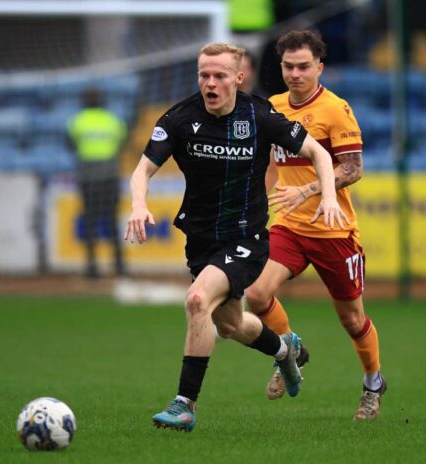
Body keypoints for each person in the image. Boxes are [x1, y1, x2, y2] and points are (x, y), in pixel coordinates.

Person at [124, 43, 347, 432]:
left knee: (197, 301)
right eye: (204, 76)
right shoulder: (180, 118)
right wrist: (139, 204)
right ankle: (285, 348)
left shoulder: (260, 115)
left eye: (219, 76)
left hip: (246, 237)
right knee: (230, 325)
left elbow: (320, 155)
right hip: (200, 239)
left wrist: (327, 196)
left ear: (238, 78)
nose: (210, 83)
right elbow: (141, 170)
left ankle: (184, 404)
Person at [244, 30, 386, 421]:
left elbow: (353, 168)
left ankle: (373, 381)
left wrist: (308, 190)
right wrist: (256, 203)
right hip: (289, 227)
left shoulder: (335, 110)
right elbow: (271, 165)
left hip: (333, 230)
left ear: (319, 67)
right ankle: (290, 350)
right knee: (255, 295)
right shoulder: (272, 107)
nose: (294, 73)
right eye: (288, 66)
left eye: (303, 66)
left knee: (352, 319)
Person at [67, 88, 127, 278]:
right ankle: (120, 267)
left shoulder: (77, 121)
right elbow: (121, 144)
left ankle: (92, 268)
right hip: (109, 177)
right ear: (103, 101)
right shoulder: (113, 120)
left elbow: (70, 144)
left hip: (88, 179)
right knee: (112, 222)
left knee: (90, 222)